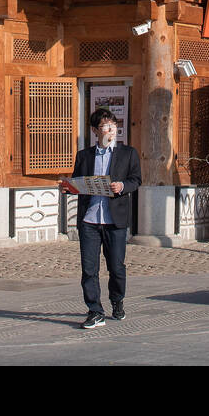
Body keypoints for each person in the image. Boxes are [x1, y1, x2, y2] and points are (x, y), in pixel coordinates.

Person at [61, 108, 141, 329]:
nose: (110, 130)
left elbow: (136, 179)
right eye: (105, 126)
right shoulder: (84, 155)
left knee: (116, 266)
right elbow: (78, 182)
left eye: (113, 126)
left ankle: (117, 300)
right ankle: (95, 310)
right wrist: (68, 187)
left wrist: (122, 186)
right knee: (89, 269)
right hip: (89, 219)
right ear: (95, 130)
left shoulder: (128, 153)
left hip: (115, 220)